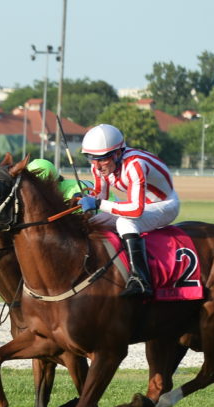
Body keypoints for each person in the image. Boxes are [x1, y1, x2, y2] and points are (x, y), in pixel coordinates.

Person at [75, 123, 180, 299]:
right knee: (90, 224)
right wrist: (82, 199)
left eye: (102, 159)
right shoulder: (98, 165)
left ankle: (141, 280)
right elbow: (100, 194)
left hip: (165, 204)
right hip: (140, 204)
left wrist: (97, 203)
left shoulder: (135, 164)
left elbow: (135, 210)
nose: (97, 166)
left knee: (125, 222)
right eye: (91, 158)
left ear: (117, 153)